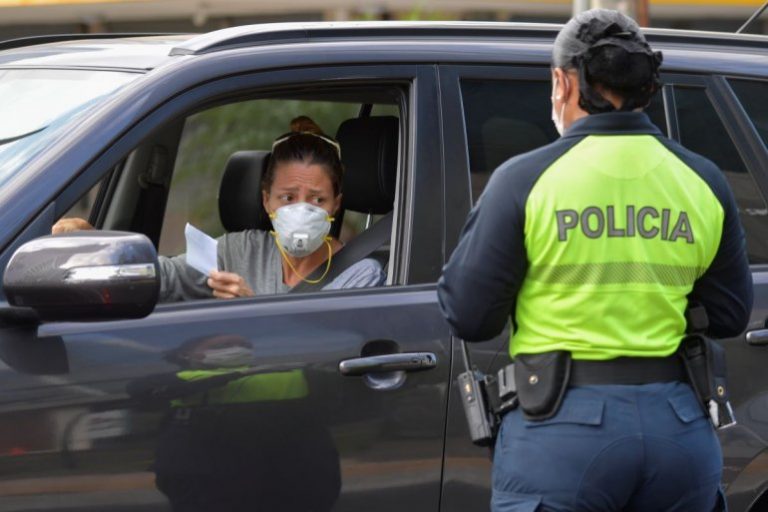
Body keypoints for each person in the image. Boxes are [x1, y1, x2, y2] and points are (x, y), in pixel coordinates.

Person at [437, 9, 752, 512]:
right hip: (679, 429)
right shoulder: (703, 179)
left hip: (560, 432)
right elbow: (731, 313)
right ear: (646, 86)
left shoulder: (525, 179)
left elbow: (469, 315)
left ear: (563, 83)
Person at [53, 116, 386, 302]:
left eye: (317, 200)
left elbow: (327, 358)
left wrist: (251, 309)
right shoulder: (239, 250)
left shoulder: (360, 274)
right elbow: (167, 277)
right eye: (287, 198)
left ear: (336, 205)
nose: (302, 211)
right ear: (266, 200)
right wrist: (101, 247)